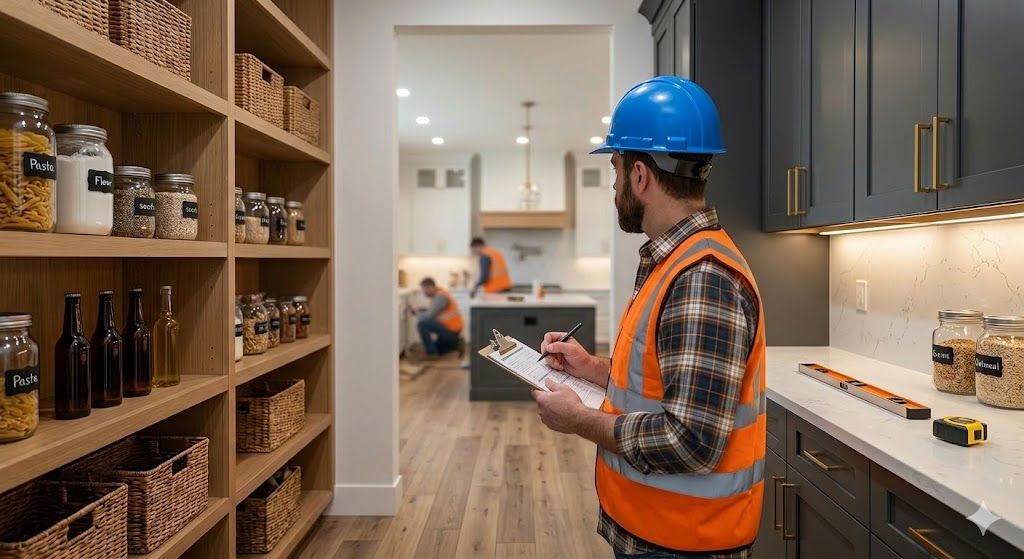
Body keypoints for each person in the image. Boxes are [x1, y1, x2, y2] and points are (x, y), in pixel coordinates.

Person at [532, 76, 766, 559]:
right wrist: (591, 368)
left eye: (616, 169)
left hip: (683, 539)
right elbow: (663, 379)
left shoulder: (702, 277)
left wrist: (578, 420)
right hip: (659, 529)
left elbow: (691, 441)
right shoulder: (674, 261)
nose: (615, 184)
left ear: (641, 175)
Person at [414, 277, 466, 359]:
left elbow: (429, 315)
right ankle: (456, 344)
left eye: (425, 290)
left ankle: (431, 354)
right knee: (439, 349)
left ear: (430, 287)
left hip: (450, 330)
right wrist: (421, 310)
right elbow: (434, 311)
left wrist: (417, 313)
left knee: (422, 324)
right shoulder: (438, 295)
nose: (424, 293)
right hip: (449, 330)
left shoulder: (440, 297)